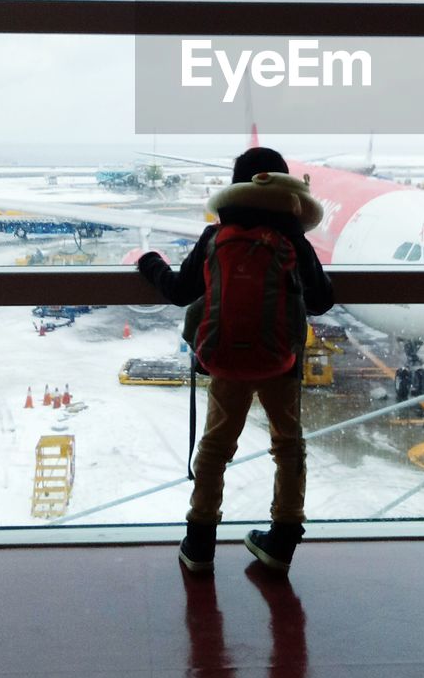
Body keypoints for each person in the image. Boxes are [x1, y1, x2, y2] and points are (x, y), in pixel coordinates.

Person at [137, 146, 333, 574]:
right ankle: (281, 541)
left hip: (226, 358)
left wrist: (151, 264)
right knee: (287, 443)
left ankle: (200, 542)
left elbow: (179, 292)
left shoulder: (215, 236)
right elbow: (321, 302)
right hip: (281, 361)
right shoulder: (293, 240)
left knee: (215, 448)